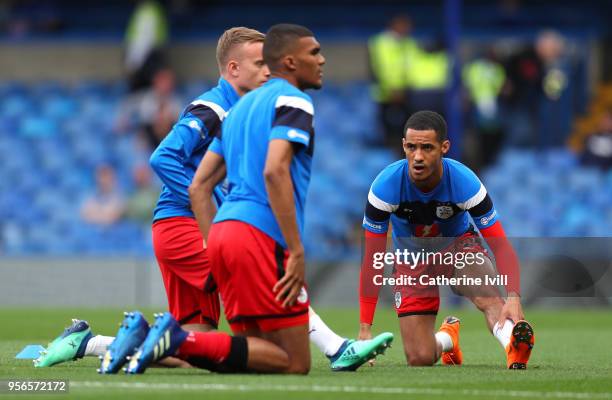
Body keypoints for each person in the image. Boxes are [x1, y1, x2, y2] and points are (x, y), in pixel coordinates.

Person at [35, 26, 392, 374]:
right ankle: (337, 347)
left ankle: (88, 342)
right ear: (233, 68)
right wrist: (209, 213)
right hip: (184, 224)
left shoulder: (239, 110)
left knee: (194, 345)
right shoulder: (213, 106)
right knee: (271, 273)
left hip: (178, 227)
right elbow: (163, 157)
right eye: (258, 64)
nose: (268, 71)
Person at [358, 111, 535, 369]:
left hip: (458, 247)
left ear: (444, 147)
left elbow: (501, 246)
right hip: (411, 261)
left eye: (427, 148)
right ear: (403, 146)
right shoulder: (385, 187)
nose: (418, 156)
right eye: (412, 147)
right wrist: (365, 329)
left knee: (489, 296)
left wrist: (514, 297)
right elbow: (372, 260)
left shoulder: (465, 183)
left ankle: (513, 345)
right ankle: (448, 338)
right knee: (419, 357)